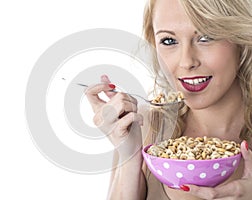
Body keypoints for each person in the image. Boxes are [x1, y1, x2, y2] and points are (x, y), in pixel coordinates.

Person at [85, 0, 252, 199]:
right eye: (169, 41)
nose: (187, 61)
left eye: (206, 37)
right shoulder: (145, 124)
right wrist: (130, 157)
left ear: (241, 39)